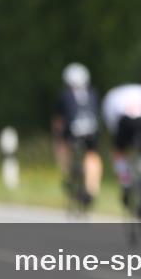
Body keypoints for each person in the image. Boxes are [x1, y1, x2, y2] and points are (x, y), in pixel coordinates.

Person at [52, 62, 103, 208]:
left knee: (62, 145)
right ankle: (92, 189)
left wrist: (57, 136)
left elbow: (58, 120)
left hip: (72, 130)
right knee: (92, 156)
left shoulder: (64, 95)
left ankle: (67, 172)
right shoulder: (93, 93)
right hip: (92, 130)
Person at [101, 82, 141, 205]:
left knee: (119, 152)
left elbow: (112, 122)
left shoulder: (112, 95)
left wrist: (118, 141)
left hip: (125, 120)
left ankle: (125, 180)